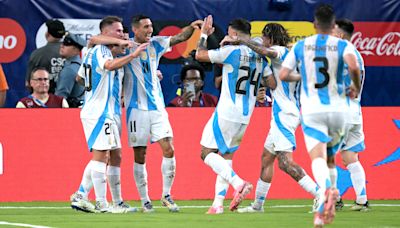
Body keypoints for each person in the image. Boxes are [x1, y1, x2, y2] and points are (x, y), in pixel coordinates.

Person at [218, 23, 319, 214]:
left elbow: (266, 51)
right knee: (266, 158)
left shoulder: (280, 51)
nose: (263, 41)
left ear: (270, 38)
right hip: (286, 111)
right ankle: (258, 205)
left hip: (284, 113)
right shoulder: (290, 54)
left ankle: (320, 195)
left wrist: (241, 40)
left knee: (285, 162)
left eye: (264, 37)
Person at [279, 4, 361, 227]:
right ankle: (332, 198)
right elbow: (354, 67)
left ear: (314, 25)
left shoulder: (301, 45)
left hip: (313, 110)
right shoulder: (343, 44)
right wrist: (355, 86)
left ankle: (325, 192)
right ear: (333, 25)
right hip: (339, 110)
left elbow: (283, 74)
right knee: (332, 158)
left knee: (318, 158)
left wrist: (304, 77)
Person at [195, 16, 274, 214]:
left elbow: (199, 55)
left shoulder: (231, 51)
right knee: (227, 156)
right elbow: (271, 83)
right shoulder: (260, 57)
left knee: (206, 153)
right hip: (246, 114)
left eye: (229, 32)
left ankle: (239, 184)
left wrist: (204, 33)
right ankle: (217, 204)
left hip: (227, 110)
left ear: (235, 34)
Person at [69, 16, 148, 213]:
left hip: (108, 111)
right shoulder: (101, 50)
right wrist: (133, 55)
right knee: (101, 155)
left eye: (123, 31)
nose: (123, 35)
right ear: (105, 33)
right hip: (100, 112)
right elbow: (108, 65)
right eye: (118, 31)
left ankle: (82, 195)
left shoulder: (94, 52)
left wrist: (96, 86)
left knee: (114, 155)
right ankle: (103, 204)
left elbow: (80, 78)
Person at [329, 19, 369, 212]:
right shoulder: (357, 54)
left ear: (341, 35)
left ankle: (334, 199)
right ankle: (362, 200)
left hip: (341, 110)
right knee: (349, 156)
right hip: (355, 111)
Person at [26, 19, 66, 94]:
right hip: (67, 102)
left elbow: (28, 83)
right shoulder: (73, 53)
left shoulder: (37, 54)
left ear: (47, 34)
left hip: (43, 101)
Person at [55, 33, 86, 107]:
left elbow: (60, 98)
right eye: (63, 43)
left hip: (69, 109)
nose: (62, 46)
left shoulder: (70, 69)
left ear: (76, 50)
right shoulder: (80, 64)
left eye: (66, 44)